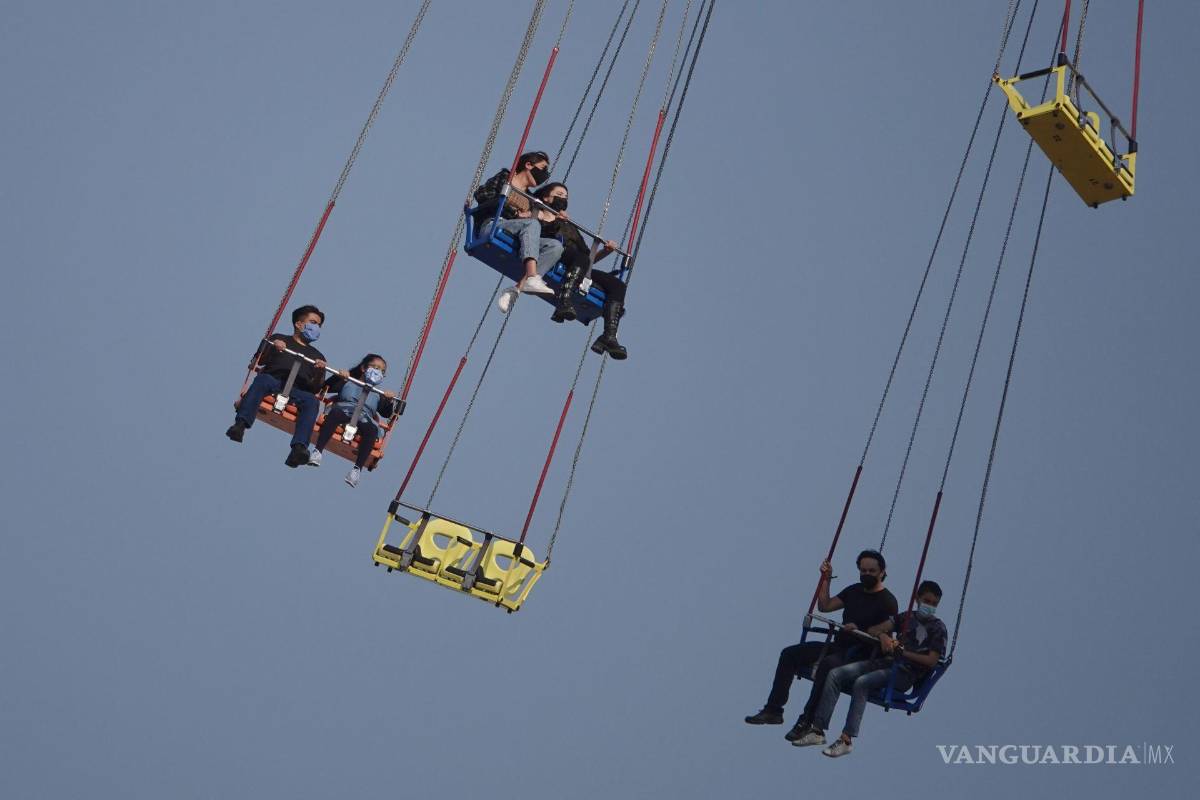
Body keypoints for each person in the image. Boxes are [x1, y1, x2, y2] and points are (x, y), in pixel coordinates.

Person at [744, 550, 898, 743]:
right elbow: (825, 606)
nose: (866, 575)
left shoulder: (888, 602)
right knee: (789, 654)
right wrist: (826, 578)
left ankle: (807, 721)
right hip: (839, 646)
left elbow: (886, 639)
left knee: (827, 665)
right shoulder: (854, 591)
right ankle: (773, 710)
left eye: (872, 571)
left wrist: (863, 630)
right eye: (863, 571)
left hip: (862, 653)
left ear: (882, 572)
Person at [795, 580, 949, 757]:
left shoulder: (938, 629)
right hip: (886, 662)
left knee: (862, 683)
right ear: (917, 599)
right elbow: (875, 629)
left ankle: (846, 739)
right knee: (835, 674)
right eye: (927, 601)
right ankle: (817, 730)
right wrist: (884, 636)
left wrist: (903, 653)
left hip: (905, 673)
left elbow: (931, 661)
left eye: (934, 604)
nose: (929, 606)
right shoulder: (906, 618)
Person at [533, 182, 630, 360]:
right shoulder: (536, 215)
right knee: (577, 257)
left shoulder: (570, 226)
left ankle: (608, 336)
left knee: (617, 285)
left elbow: (587, 257)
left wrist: (605, 251)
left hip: (578, 263)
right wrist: (555, 222)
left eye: (566, 197)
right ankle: (564, 301)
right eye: (559, 194)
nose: (563, 198)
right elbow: (533, 236)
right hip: (551, 253)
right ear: (547, 197)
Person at [227, 305, 329, 468]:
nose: (316, 328)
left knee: (312, 401)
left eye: (319, 325)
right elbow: (259, 360)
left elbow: (316, 388)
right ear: (299, 324)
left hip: (298, 390)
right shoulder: (279, 339)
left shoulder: (317, 356)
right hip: (274, 381)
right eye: (313, 322)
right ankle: (240, 425)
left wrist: (319, 371)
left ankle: (299, 448)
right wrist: (274, 346)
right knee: (262, 380)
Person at [473, 150, 562, 300]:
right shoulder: (505, 178)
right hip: (494, 225)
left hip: (517, 232)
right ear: (528, 165)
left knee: (555, 246)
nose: (545, 175)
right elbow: (482, 195)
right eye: (543, 169)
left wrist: (555, 219)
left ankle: (519, 287)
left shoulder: (531, 199)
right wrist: (515, 214)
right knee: (531, 224)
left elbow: (541, 230)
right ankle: (532, 277)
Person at [308, 354, 399, 487]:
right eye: (375, 367)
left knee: (372, 430)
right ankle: (317, 451)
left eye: (382, 371)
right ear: (363, 368)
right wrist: (339, 377)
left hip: (364, 418)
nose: (378, 372)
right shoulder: (348, 381)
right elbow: (325, 387)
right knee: (335, 414)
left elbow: (387, 413)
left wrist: (390, 400)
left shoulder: (378, 394)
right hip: (344, 410)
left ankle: (356, 470)